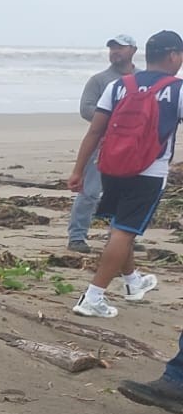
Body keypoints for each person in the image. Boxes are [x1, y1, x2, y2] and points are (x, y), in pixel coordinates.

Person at [66, 30, 183, 318]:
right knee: (124, 231)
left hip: (112, 166)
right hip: (149, 171)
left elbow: (95, 130)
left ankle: (133, 282)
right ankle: (93, 296)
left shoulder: (119, 86)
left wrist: (78, 170)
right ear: (173, 56)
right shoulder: (177, 89)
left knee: (121, 226)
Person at [69, 35, 139, 252]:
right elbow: (86, 109)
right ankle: (77, 237)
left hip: (134, 146)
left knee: (128, 193)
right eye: (112, 48)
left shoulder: (143, 78)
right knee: (89, 191)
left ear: (133, 50)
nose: (115, 52)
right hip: (102, 143)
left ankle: (122, 237)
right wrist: (115, 120)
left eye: (120, 48)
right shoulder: (99, 80)